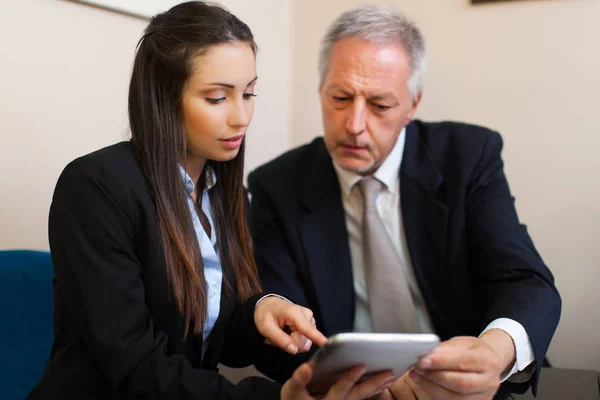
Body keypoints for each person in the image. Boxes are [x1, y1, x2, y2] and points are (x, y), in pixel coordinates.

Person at [26, 2, 398, 399]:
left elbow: (215, 343)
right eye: (218, 98)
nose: (242, 117)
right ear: (164, 99)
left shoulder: (225, 193)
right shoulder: (95, 188)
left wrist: (260, 310)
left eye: (249, 93)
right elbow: (135, 367)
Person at [248, 4, 561, 399]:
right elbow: (280, 336)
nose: (354, 125)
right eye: (340, 97)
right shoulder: (277, 185)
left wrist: (493, 353)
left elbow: (525, 281)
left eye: (380, 105)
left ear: (412, 105)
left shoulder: (466, 157)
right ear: (320, 90)